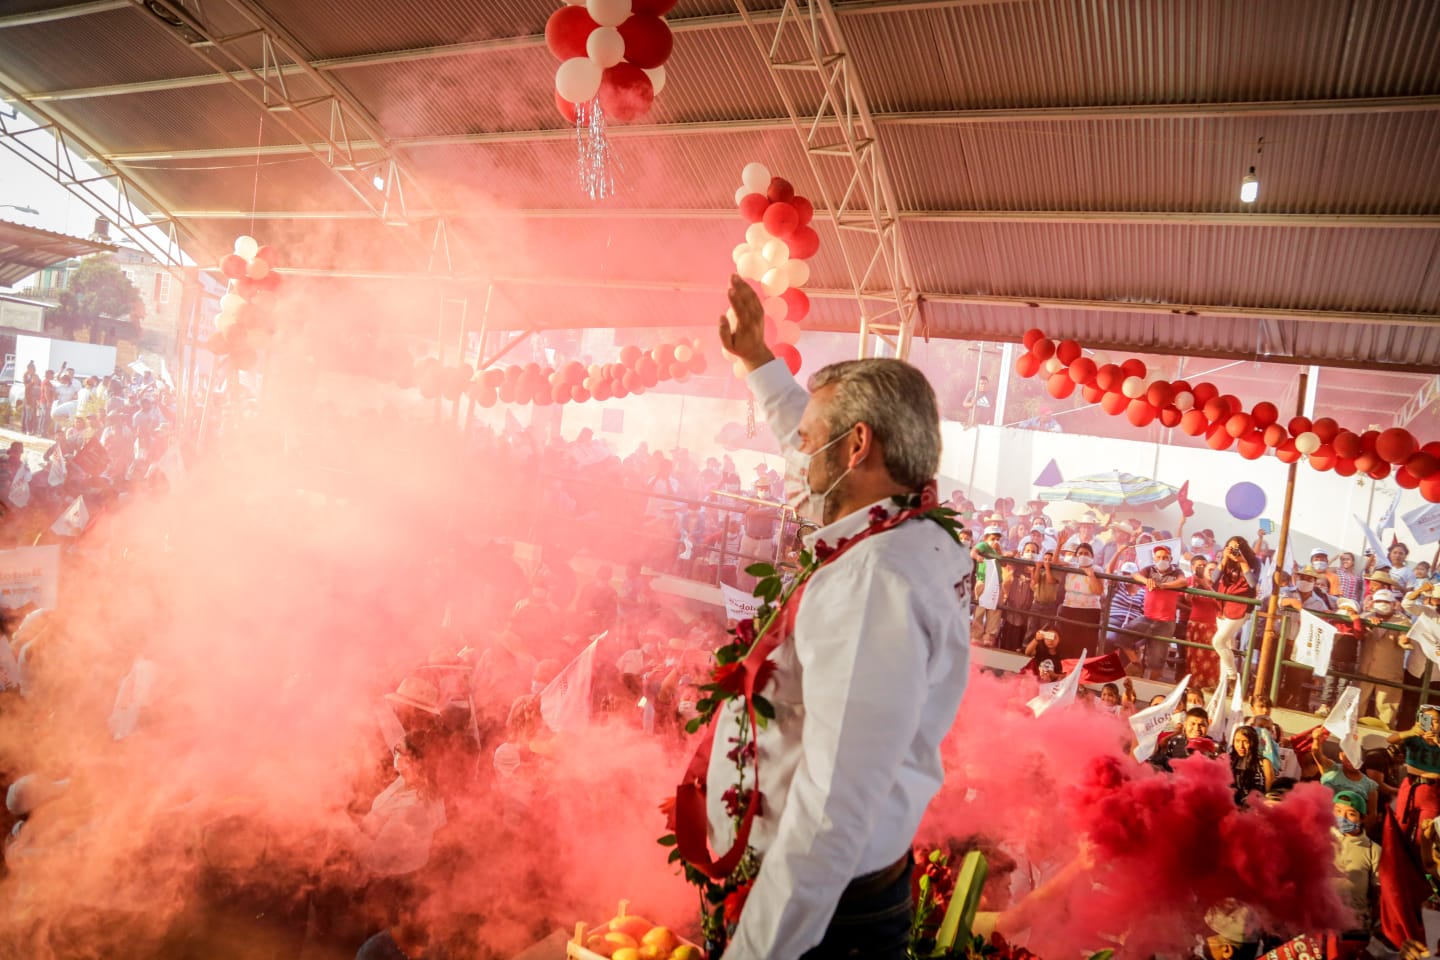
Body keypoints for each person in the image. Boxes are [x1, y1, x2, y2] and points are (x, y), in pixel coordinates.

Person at [695, 275, 972, 960]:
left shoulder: (874, 581)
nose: (797, 455)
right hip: (837, 899)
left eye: (811, 439)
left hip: (825, 920)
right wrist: (758, 360)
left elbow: (828, 814)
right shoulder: (898, 530)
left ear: (855, 447)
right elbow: (808, 450)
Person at [1122, 544, 1188, 681]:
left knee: (1157, 661)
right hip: (1147, 618)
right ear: (1154, 558)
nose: (1162, 559)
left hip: (1166, 622)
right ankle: (1136, 663)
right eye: (1158, 557)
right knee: (1122, 635)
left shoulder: (1176, 572)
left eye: (1165, 557)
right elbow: (1135, 575)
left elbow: (1183, 581)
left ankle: (1151, 686)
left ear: (1170, 559)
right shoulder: (1149, 570)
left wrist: (1164, 586)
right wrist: (1147, 581)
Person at [1328, 791, 1380, 959]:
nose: (1342, 817)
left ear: (1362, 818)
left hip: (1356, 931)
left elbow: (1379, 895)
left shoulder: (1373, 850)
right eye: (1338, 811)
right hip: (1322, 928)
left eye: (1350, 813)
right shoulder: (1321, 841)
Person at [1211, 536, 1259, 689]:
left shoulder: (1253, 561)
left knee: (1218, 642)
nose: (1233, 551)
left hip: (1239, 607)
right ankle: (1222, 686)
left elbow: (1252, 583)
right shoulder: (1226, 560)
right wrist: (1224, 559)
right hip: (1222, 606)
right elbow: (1213, 579)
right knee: (1225, 646)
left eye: (1236, 547)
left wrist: (1242, 561)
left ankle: (1232, 676)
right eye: (1229, 547)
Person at [1356, 590, 1407, 728]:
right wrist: (1368, 624)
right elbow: (1359, 633)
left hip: (1389, 673)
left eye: (1386, 602)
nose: (1382, 604)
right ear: (1373, 602)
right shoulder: (1366, 616)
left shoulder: (1403, 620)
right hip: (1365, 669)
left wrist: (1404, 640)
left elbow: (1404, 641)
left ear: (1393, 604)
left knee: (1386, 712)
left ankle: (1383, 743)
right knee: (1355, 707)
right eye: (1379, 601)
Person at [1044, 542, 1103, 661]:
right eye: (1080, 553)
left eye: (1086, 553)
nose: (1083, 556)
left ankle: (1081, 674)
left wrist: (1091, 576)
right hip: (1069, 609)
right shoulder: (1072, 565)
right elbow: (1055, 562)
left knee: (1085, 645)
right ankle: (1064, 671)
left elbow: (1098, 591)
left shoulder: (1097, 569)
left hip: (1089, 612)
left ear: (1092, 556)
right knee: (1066, 642)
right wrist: (1059, 544)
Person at [1187, 559, 1222, 692]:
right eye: (1209, 570)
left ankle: (1209, 686)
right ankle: (1193, 687)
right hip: (1195, 624)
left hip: (1212, 626)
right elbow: (1187, 599)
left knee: (1210, 658)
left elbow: (1220, 604)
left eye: (1215, 570)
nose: (1212, 572)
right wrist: (1194, 585)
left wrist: (1207, 586)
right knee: (1194, 658)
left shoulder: (1220, 586)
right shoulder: (1196, 584)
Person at [970, 525, 1005, 647]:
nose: (996, 541)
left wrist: (999, 551)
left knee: (994, 610)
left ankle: (989, 636)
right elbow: (973, 551)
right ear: (986, 538)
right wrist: (977, 557)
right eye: (993, 538)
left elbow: (1004, 563)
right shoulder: (984, 545)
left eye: (998, 539)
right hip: (984, 581)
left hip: (996, 583)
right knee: (980, 609)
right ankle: (976, 635)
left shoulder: (997, 549)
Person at [1229, 725, 1273, 805]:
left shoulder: (1263, 763)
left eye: (1245, 741)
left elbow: (1270, 794)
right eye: (1237, 741)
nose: (1241, 746)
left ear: (1253, 742)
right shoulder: (1229, 761)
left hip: (1255, 809)